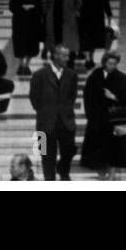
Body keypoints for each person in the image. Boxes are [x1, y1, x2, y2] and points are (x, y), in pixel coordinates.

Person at [28, 44, 79, 180]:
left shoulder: (72, 75)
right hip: (44, 123)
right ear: (55, 55)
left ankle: (63, 172)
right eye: (64, 55)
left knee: (69, 151)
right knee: (46, 156)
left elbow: (72, 96)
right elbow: (34, 98)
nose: (67, 58)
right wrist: (45, 111)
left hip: (66, 122)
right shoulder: (39, 75)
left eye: (68, 55)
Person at [81, 52, 126, 179]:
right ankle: (102, 176)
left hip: (114, 120)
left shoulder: (122, 78)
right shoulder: (94, 77)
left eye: (114, 64)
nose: (112, 66)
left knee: (114, 152)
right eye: (110, 63)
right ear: (104, 63)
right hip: (98, 120)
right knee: (98, 152)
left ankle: (112, 176)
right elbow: (87, 98)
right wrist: (91, 116)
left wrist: (113, 97)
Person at [78, 0, 113, 69]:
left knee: (94, 37)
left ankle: (91, 57)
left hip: (97, 14)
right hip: (83, 14)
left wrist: (109, 14)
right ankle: (88, 58)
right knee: (85, 37)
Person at [10, 0, 42, 77]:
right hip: (20, 21)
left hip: (32, 22)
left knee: (31, 44)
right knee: (20, 44)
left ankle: (27, 65)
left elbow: (41, 6)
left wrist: (33, 7)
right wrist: (21, 7)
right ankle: (20, 64)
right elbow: (12, 6)